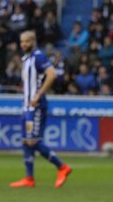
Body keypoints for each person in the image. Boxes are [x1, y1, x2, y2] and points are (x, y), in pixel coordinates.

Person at [10, 30, 72, 188]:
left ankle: (62, 167)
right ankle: (29, 178)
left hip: (35, 107)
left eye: (26, 41)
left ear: (33, 41)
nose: (23, 44)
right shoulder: (27, 59)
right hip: (27, 107)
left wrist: (38, 95)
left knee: (32, 141)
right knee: (26, 140)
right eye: (21, 41)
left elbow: (51, 75)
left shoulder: (38, 57)